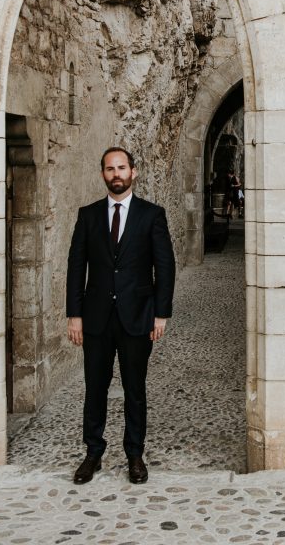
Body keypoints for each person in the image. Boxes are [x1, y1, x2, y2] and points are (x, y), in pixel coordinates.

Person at [66, 147, 176, 485]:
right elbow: (75, 267)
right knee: (95, 388)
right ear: (102, 174)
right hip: (96, 318)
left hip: (137, 317)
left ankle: (135, 455)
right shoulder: (88, 215)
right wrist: (74, 315)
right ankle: (93, 454)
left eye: (122, 168)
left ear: (134, 172)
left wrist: (161, 314)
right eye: (110, 169)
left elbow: (165, 267)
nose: (116, 174)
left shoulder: (151, 215)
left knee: (134, 389)